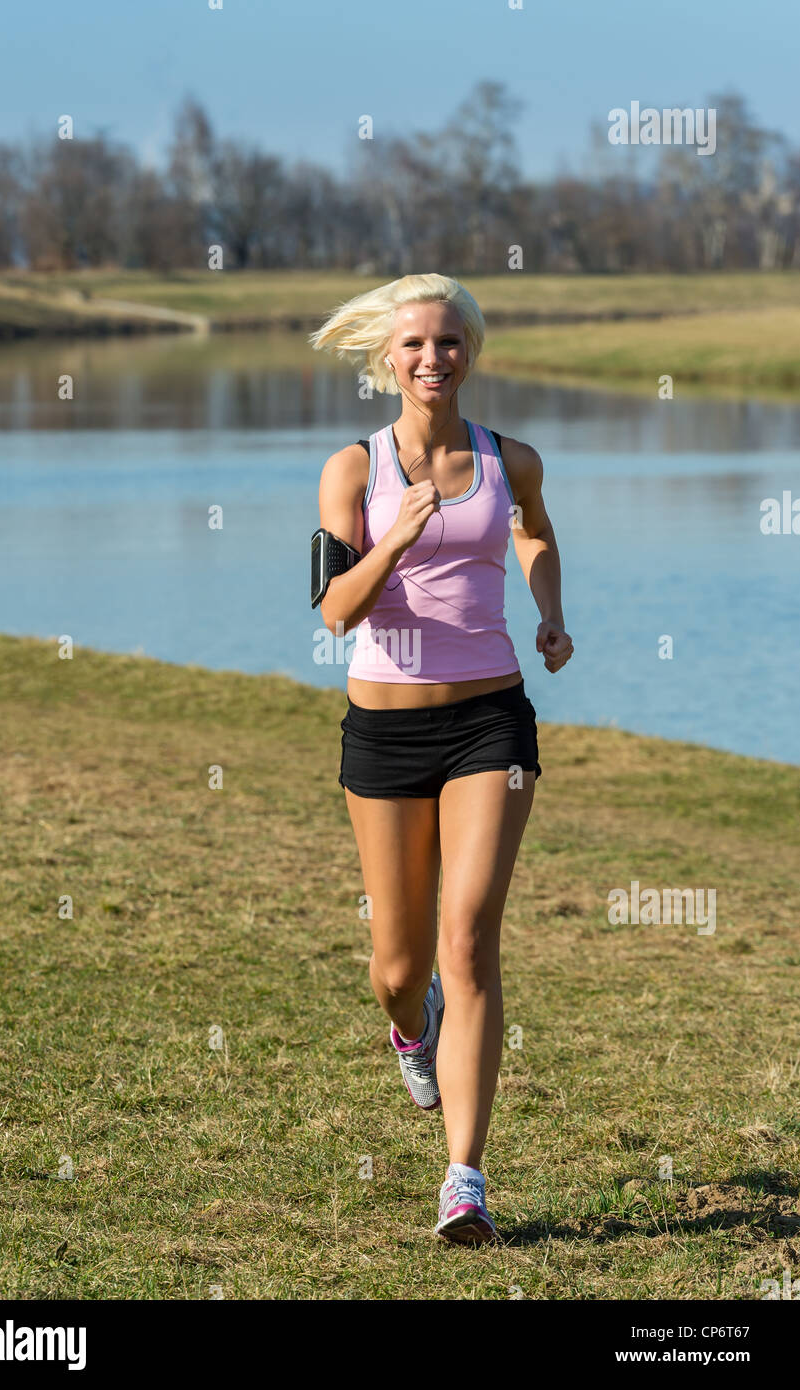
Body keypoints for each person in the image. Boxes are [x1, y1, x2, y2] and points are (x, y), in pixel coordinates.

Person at [309, 273, 574, 1245]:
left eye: (450, 343)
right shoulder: (354, 469)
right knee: (397, 962)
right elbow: (336, 610)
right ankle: (408, 1023)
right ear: (389, 357)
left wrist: (548, 612)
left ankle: (464, 1178)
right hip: (383, 731)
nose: (433, 359)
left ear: (471, 351)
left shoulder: (511, 459)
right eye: (415, 344)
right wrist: (397, 538)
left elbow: (534, 533)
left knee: (468, 939)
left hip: (488, 724)